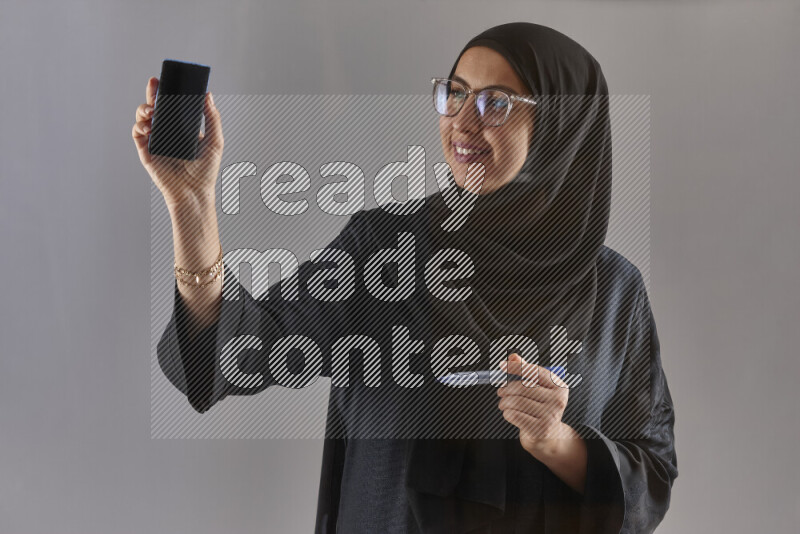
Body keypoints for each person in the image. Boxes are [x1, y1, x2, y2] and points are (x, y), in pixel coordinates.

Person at [133, 22, 678, 533]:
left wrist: (557, 440)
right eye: (455, 93)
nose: (464, 121)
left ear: (562, 125)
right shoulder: (382, 253)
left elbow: (650, 472)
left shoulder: (613, 292)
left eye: (495, 103)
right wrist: (192, 203)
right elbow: (235, 354)